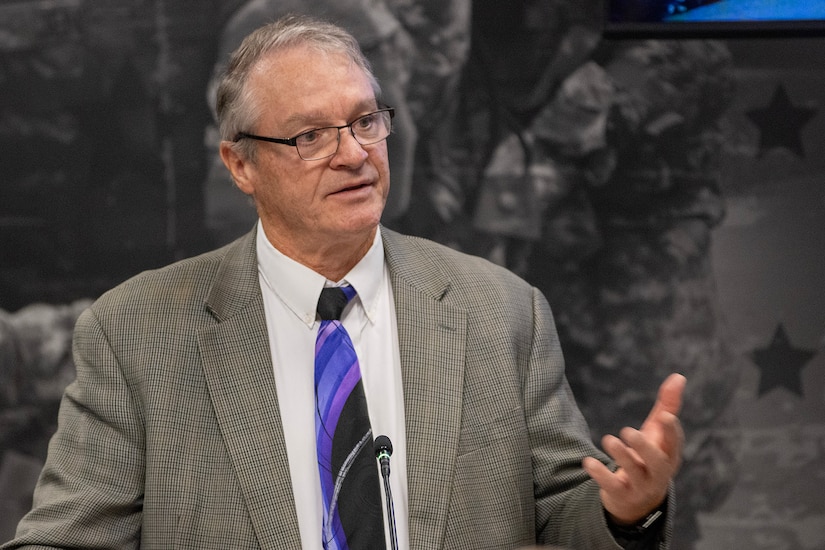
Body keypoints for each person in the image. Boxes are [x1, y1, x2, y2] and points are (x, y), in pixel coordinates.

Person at [2, 15, 685, 550]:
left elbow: (566, 511)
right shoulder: (135, 332)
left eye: (365, 120)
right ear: (240, 165)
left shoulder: (501, 310)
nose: (354, 153)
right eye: (309, 136)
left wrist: (626, 509)